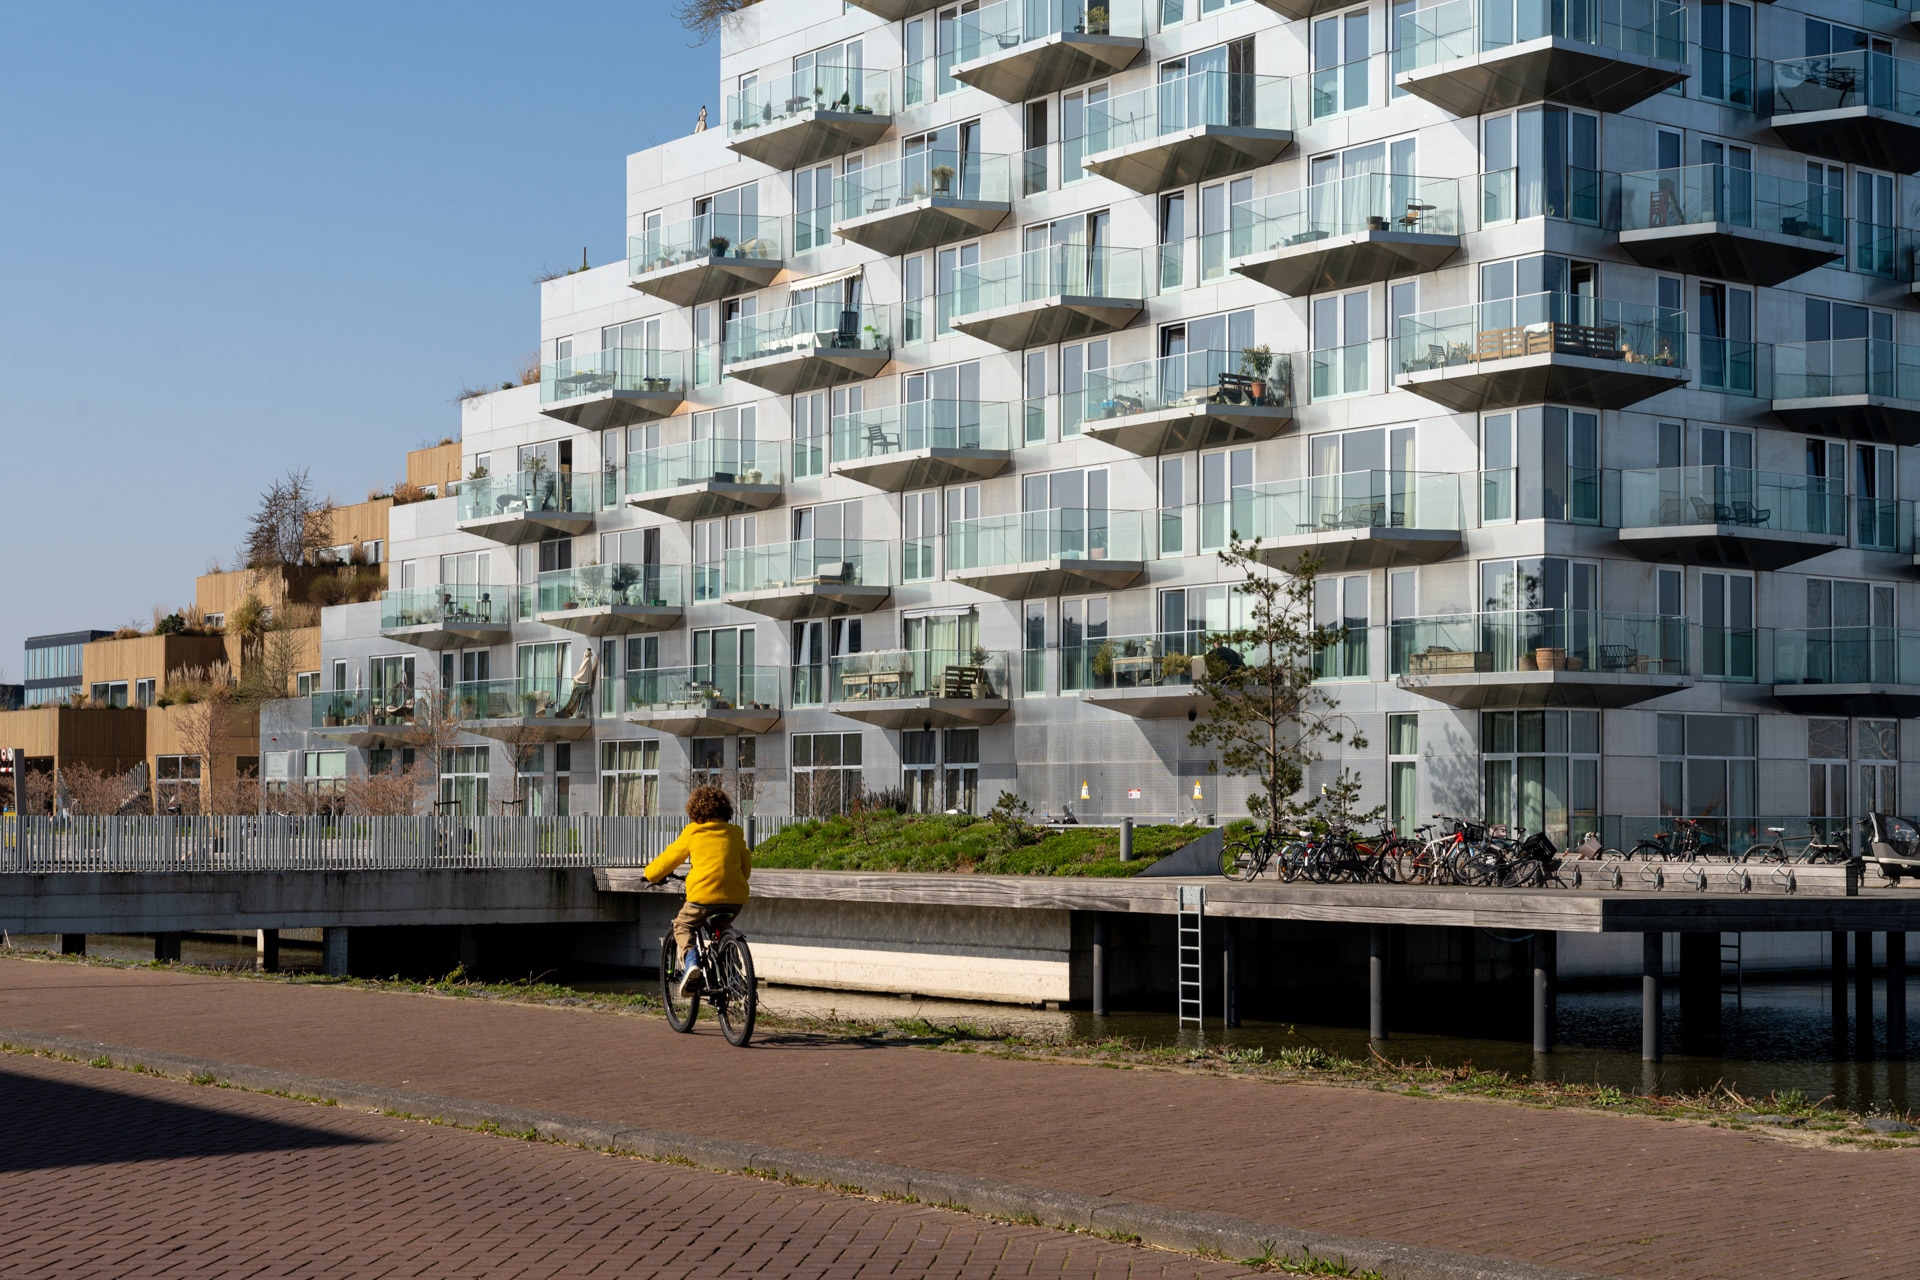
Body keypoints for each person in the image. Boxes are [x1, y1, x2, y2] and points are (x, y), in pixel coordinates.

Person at [643, 785, 751, 996]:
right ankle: (734, 975)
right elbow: (745, 870)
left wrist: (650, 874)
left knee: (683, 925)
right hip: (735, 898)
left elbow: (669, 859)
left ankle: (692, 962)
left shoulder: (693, 832)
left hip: (703, 897)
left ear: (695, 810)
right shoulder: (736, 833)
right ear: (725, 809)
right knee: (719, 932)